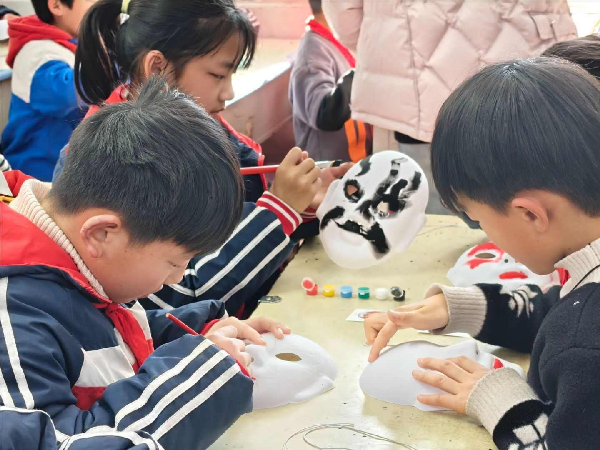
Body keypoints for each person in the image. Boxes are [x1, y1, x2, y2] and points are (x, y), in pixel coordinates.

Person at [0, 78, 292, 449]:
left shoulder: (75, 267)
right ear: (102, 234)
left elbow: (107, 339)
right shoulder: (12, 316)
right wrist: (200, 377)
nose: (178, 278)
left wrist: (200, 334)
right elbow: (57, 442)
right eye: (174, 261)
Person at [54, 0, 351, 318]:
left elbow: (237, 229)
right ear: (158, 69)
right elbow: (182, 296)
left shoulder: (193, 134)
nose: (229, 92)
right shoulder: (115, 166)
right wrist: (280, 209)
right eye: (218, 75)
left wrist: (303, 203)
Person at [364, 58, 600, 449]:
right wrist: (462, 308)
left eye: (478, 220)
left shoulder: (584, 348)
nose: (485, 234)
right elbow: (561, 311)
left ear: (529, 214)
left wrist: (503, 401)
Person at [322, 0, 577, 214]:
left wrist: (389, 50)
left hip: (413, 91)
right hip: (525, 69)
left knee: (421, 221)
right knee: (531, 210)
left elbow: (345, 15)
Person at [1, 0, 92, 181]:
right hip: (36, 172)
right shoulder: (36, 52)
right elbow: (68, 95)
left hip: (68, 166)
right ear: (56, 5)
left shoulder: (73, 39)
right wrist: (113, 62)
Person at [288, 0, 371, 162]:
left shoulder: (340, 43)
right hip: (329, 172)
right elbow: (324, 112)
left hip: (355, 165)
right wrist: (365, 73)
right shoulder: (313, 53)